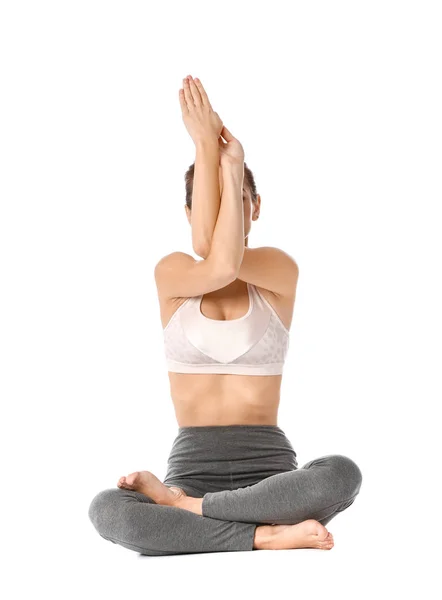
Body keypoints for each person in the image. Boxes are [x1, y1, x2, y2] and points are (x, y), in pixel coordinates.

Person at [88, 75, 363, 556]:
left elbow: (225, 257)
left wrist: (229, 164)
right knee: (107, 509)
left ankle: (189, 512)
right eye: (206, 208)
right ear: (189, 212)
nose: (219, 222)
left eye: (235, 203)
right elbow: (211, 256)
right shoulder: (172, 274)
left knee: (342, 473)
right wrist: (210, 150)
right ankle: (262, 535)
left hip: (271, 472)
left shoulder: (278, 271)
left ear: (255, 207)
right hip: (194, 464)